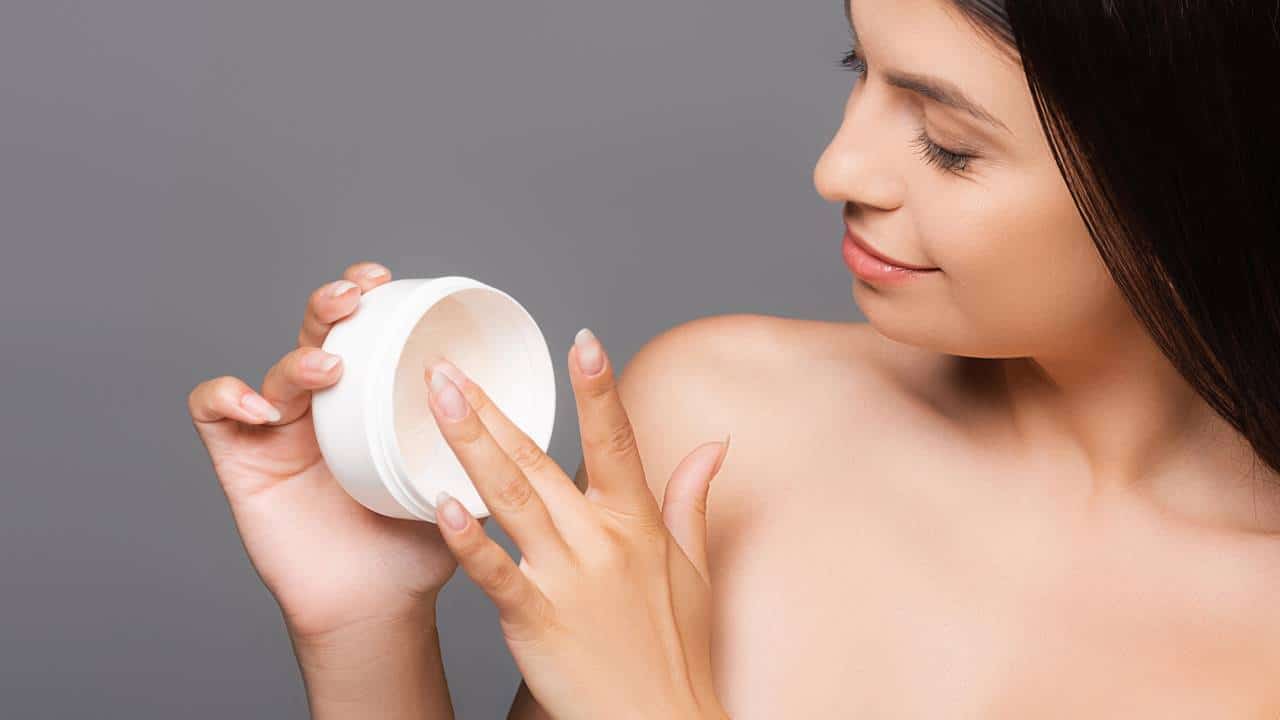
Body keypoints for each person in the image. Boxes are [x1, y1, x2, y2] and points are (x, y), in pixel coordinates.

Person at [187, 0, 1280, 716]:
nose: (837, 166)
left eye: (948, 145)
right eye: (860, 69)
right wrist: (364, 627)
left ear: (1194, 178)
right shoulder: (720, 427)